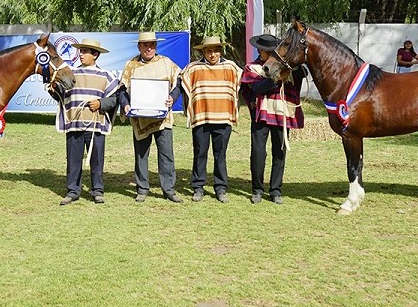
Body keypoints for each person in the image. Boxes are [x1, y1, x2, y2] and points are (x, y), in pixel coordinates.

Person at [241, 34, 307, 205]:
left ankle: (276, 190)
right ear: (259, 51)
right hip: (261, 116)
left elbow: (303, 72)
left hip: (282, 114)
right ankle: (257, 190)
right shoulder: (252, 68)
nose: (271, 55)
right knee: (258, 153)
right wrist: (276, 78)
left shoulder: (285, 66)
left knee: (279, 152)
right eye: (267, 52)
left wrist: (292, 68)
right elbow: (256, 88)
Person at [117, 31, 183, 203]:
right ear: (139, 46)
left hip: (162, 119)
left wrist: (172, 97)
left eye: (152, 45)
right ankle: (142, 188)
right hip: (140, 119)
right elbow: (122, 89)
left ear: (156, 46)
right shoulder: (131, 65)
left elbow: (179, 82)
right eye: (145, 45)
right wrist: (125, 104)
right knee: (141, 155)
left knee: (166, 154)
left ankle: (168, 189)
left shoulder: (166, 63)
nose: (149, 48)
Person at [177, 36, 242, 203]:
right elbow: (180, 83)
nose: (212, 54)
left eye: (216, 50)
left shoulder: (231, 68)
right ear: (203, 51)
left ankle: (221, 188)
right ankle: (198, 187)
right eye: (209, 51)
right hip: (201, 118)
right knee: (200, 153)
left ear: (220, 51)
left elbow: (244, 82)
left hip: (223, 118)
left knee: (220, 155)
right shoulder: (193, 69)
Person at [55, 38, 119, 205]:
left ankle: (97, 190)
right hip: (74, 123)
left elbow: (115, 99)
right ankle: (72, 191)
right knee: (73, 159)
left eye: (84, 51)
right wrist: (52, 88)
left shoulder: (106, 76)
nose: (80, 54)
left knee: (97, 160)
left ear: (95, 55)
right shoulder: (71, 73)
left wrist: (101, 103)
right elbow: (61, 96)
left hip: (96, 125)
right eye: (80, 51)